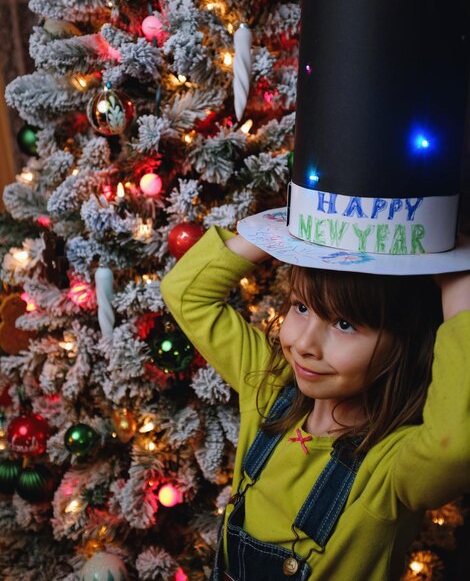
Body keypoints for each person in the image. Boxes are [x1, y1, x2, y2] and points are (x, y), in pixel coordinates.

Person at [160, 226, 470, 581]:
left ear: (405, 345)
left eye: (344, 324)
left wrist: (459, 291)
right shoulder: (269, 384)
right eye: (301, 306)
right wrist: (281, 232)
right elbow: (184, 292)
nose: (306, 344)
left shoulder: (392, 466)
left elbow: (455, 447)